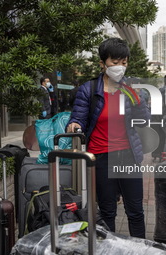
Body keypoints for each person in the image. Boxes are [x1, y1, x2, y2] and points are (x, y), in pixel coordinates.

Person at [66, 38, 150, 238]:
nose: (120, 67)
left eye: (124, 62)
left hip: (128, 155)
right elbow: (77, 117)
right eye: (115, 62)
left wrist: (139, 101)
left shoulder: (130, 89)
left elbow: (144, 120)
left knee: (136, 211)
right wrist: (74, 124)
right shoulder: (89, 89)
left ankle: (139, 250)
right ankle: (109, 248)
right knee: (107, 211)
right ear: (102, 64)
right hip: (101, 156)